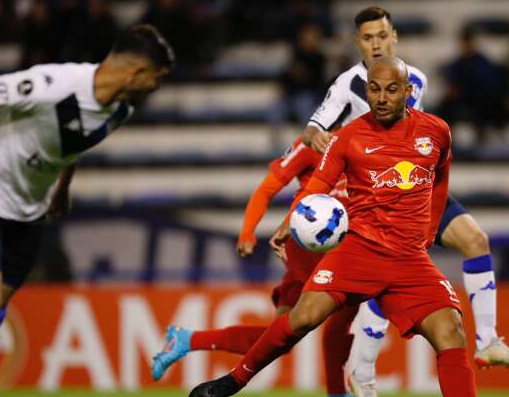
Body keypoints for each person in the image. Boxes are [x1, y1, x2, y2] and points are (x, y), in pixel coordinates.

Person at [189, 56, 477, 397]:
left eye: (391, 90)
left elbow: (441, 179)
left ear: (408, 91)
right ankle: (232, 381)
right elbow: (317, 186)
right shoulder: (347, 138)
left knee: (451, 331)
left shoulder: (436, 131)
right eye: (374, 89)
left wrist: (429, 231)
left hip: (410, 260)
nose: (382, 98)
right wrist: (289, 220)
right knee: (303, 318)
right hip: (360, 250)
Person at [300, 7, 509, 397]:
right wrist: (320, 138)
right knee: (390, 274)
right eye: (368, 38)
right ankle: (362, 367)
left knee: (476, 240)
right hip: (375, 197)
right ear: (358, 43)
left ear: (394, 38)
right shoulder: (346, 85)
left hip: (415, 186)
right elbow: (313, 128)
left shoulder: (415, 78)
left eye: (382, 35)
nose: (376, 43)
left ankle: (487, 340)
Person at [0, 24, 174, 397]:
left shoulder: (119, 110)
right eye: (157, 79)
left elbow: (71, 144)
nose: (156, 88)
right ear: (136, 73)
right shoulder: (51, 84)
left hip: (28, 213)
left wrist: (62, 189)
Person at [152, 137, 357, 397]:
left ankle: (186, 340)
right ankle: (337, 392)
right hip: (309, 247)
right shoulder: (312, 143)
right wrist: (247, 232)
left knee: (279, 335)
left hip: (341, 244)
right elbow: (267, 188)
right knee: (341, 310)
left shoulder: (364, 141)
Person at [437, 28, 506, 143]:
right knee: (445, 105)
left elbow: (487, 85)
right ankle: (445, 139)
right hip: (463, 98)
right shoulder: (458, 63)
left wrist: (461, 91)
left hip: (479, 98)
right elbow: (450, 75)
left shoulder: (483, 63)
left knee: (483, 105)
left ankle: (481, 138)